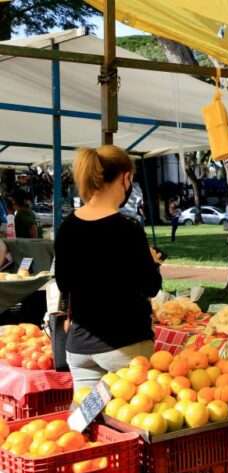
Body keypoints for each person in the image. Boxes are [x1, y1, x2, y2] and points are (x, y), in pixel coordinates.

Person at [54, 145, 162, 391]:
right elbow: (151, 287)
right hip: (125, 346)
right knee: (129, 422)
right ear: (126, 178)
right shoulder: (128, 229)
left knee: (87, 420)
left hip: (80, 348)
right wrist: (151, 263)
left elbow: (64, 284)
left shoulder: (67, 227)